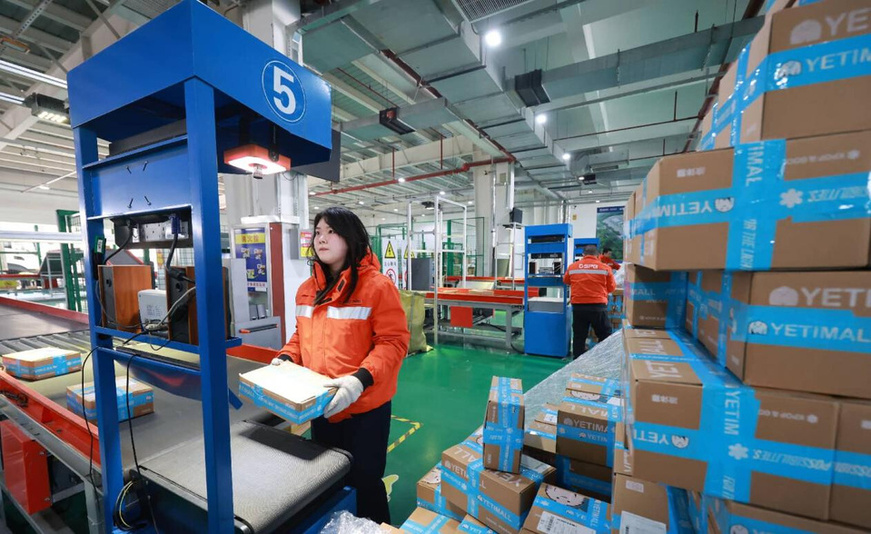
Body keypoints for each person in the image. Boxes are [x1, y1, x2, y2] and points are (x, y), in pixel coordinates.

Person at [272, 207, 409, 524]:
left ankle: (375, 528)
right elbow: (300, 336)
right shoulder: (307, 289)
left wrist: (358, 381)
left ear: (351, 237)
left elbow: (393, 342)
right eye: (318, 232)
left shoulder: (376, 287)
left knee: (366, 480)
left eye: (331, 231)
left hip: (364, 407)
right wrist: (285, 358)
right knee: (328, 478)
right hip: (322, 405)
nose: (322, 238)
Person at [563, 244, 616, 359]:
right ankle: (603, 359)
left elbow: (566, 281)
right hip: (598, 307)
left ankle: (577, 361)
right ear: (597, 255)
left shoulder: (573, 267)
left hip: (578, 307)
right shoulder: (605, 268)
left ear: (583, 255)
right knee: (604, 334)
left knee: (579, 336)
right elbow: (611, 288)